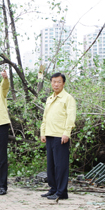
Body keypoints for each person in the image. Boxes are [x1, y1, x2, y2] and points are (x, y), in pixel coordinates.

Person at [40, 72, 76, 201]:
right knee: (51, 165)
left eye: (58, 82)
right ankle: (53, 188)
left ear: (63, 83)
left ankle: (62, 192)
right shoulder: (50, 99)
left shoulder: (67, 98)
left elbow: (71, 118)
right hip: (49, 134)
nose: (56, 84)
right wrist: (42, 132)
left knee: (61, 166)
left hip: (60, 136)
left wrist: (67, 133)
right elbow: (45, 117)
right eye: (54, 82)